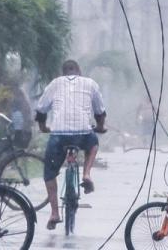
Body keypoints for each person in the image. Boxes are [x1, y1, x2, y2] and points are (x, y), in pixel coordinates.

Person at [36, 59, 107, 230]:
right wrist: (100, 127)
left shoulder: (55, 83)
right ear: (79, 71)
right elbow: (100, 112)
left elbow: (41, 110)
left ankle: (54, 213)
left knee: (49, 173)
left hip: (59, 135)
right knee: (93, 143)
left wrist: (43, 127)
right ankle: (87, 174)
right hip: (82, 133)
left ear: (63, 72)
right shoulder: (90, 83)